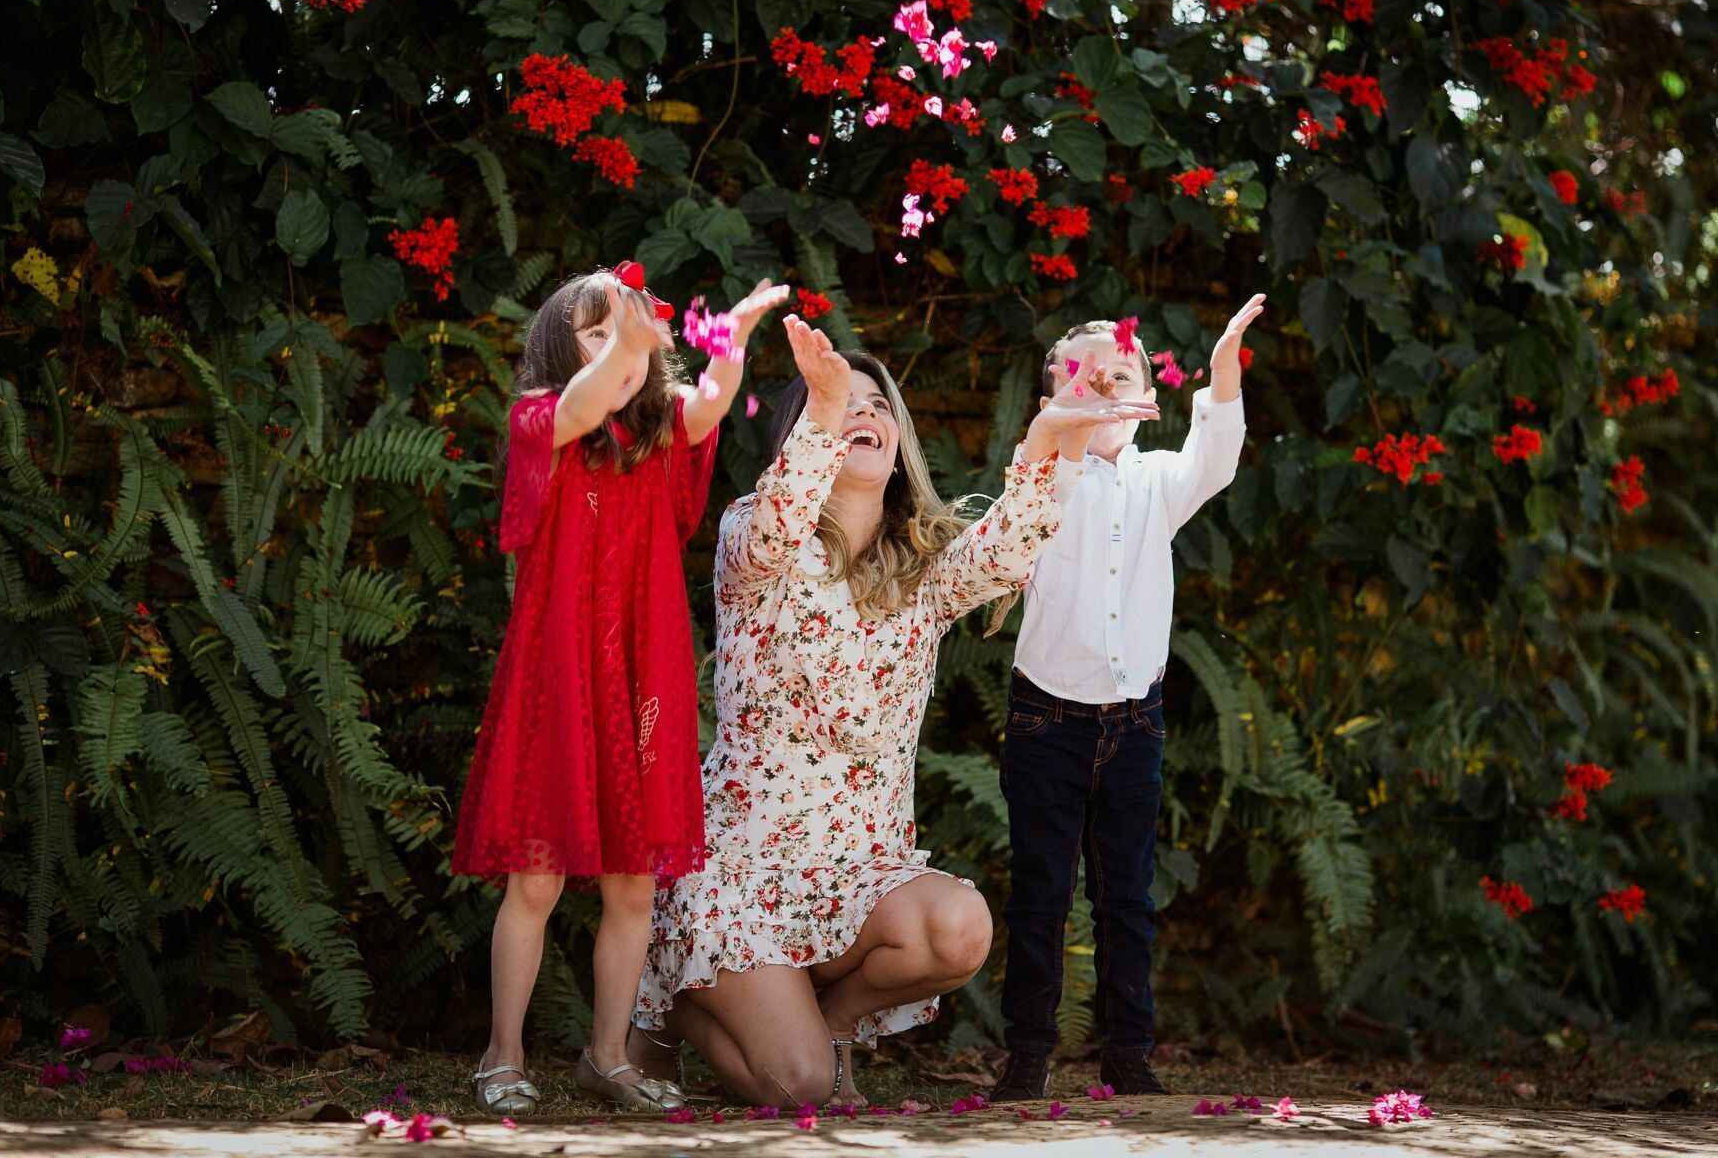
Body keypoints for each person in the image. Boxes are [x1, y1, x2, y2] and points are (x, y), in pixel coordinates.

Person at [628, 315, 1159, 1108]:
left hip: (858, 879)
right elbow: (778, 521)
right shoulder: (754, 542)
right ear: (798, 440)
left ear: (900, 437)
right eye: (843, 403)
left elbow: (1010, 545)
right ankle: (668, 1011)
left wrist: (1058, 440)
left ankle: (826, 1023)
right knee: (801, 1087)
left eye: (879, 405)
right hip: (741, 879)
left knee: (960, 927)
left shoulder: (925, 571)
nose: (864, 413)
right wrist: (825, 406)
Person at [451, 263, 788, 1113]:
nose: (616, 349)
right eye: (594, 335)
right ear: (559, 353)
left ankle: (608, 1056)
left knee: (634, 880)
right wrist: (629, 346)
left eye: (626, 332)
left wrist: (735, 343)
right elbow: (580, 406)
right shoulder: (543, 421)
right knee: (536, 878)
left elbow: (710, 403)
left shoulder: (661, 432)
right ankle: (501, 1055)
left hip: (646, 672)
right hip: (558, 675)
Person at [988, 297, 1264, 1101]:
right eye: (1085, 376)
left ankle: (1128, 1052)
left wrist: (1219, 369)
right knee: (1041, 894)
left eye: (1124, 374)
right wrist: (1064, 427)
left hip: (1134, 723)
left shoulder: (1157, 481)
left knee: (1127, 899)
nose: (1107, 386)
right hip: (1046, 720)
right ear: (1051, 404)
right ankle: (1028, 1053)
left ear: (1147, 397)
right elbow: (1032, 485)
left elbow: (1216, 457)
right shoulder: (1041, 474)